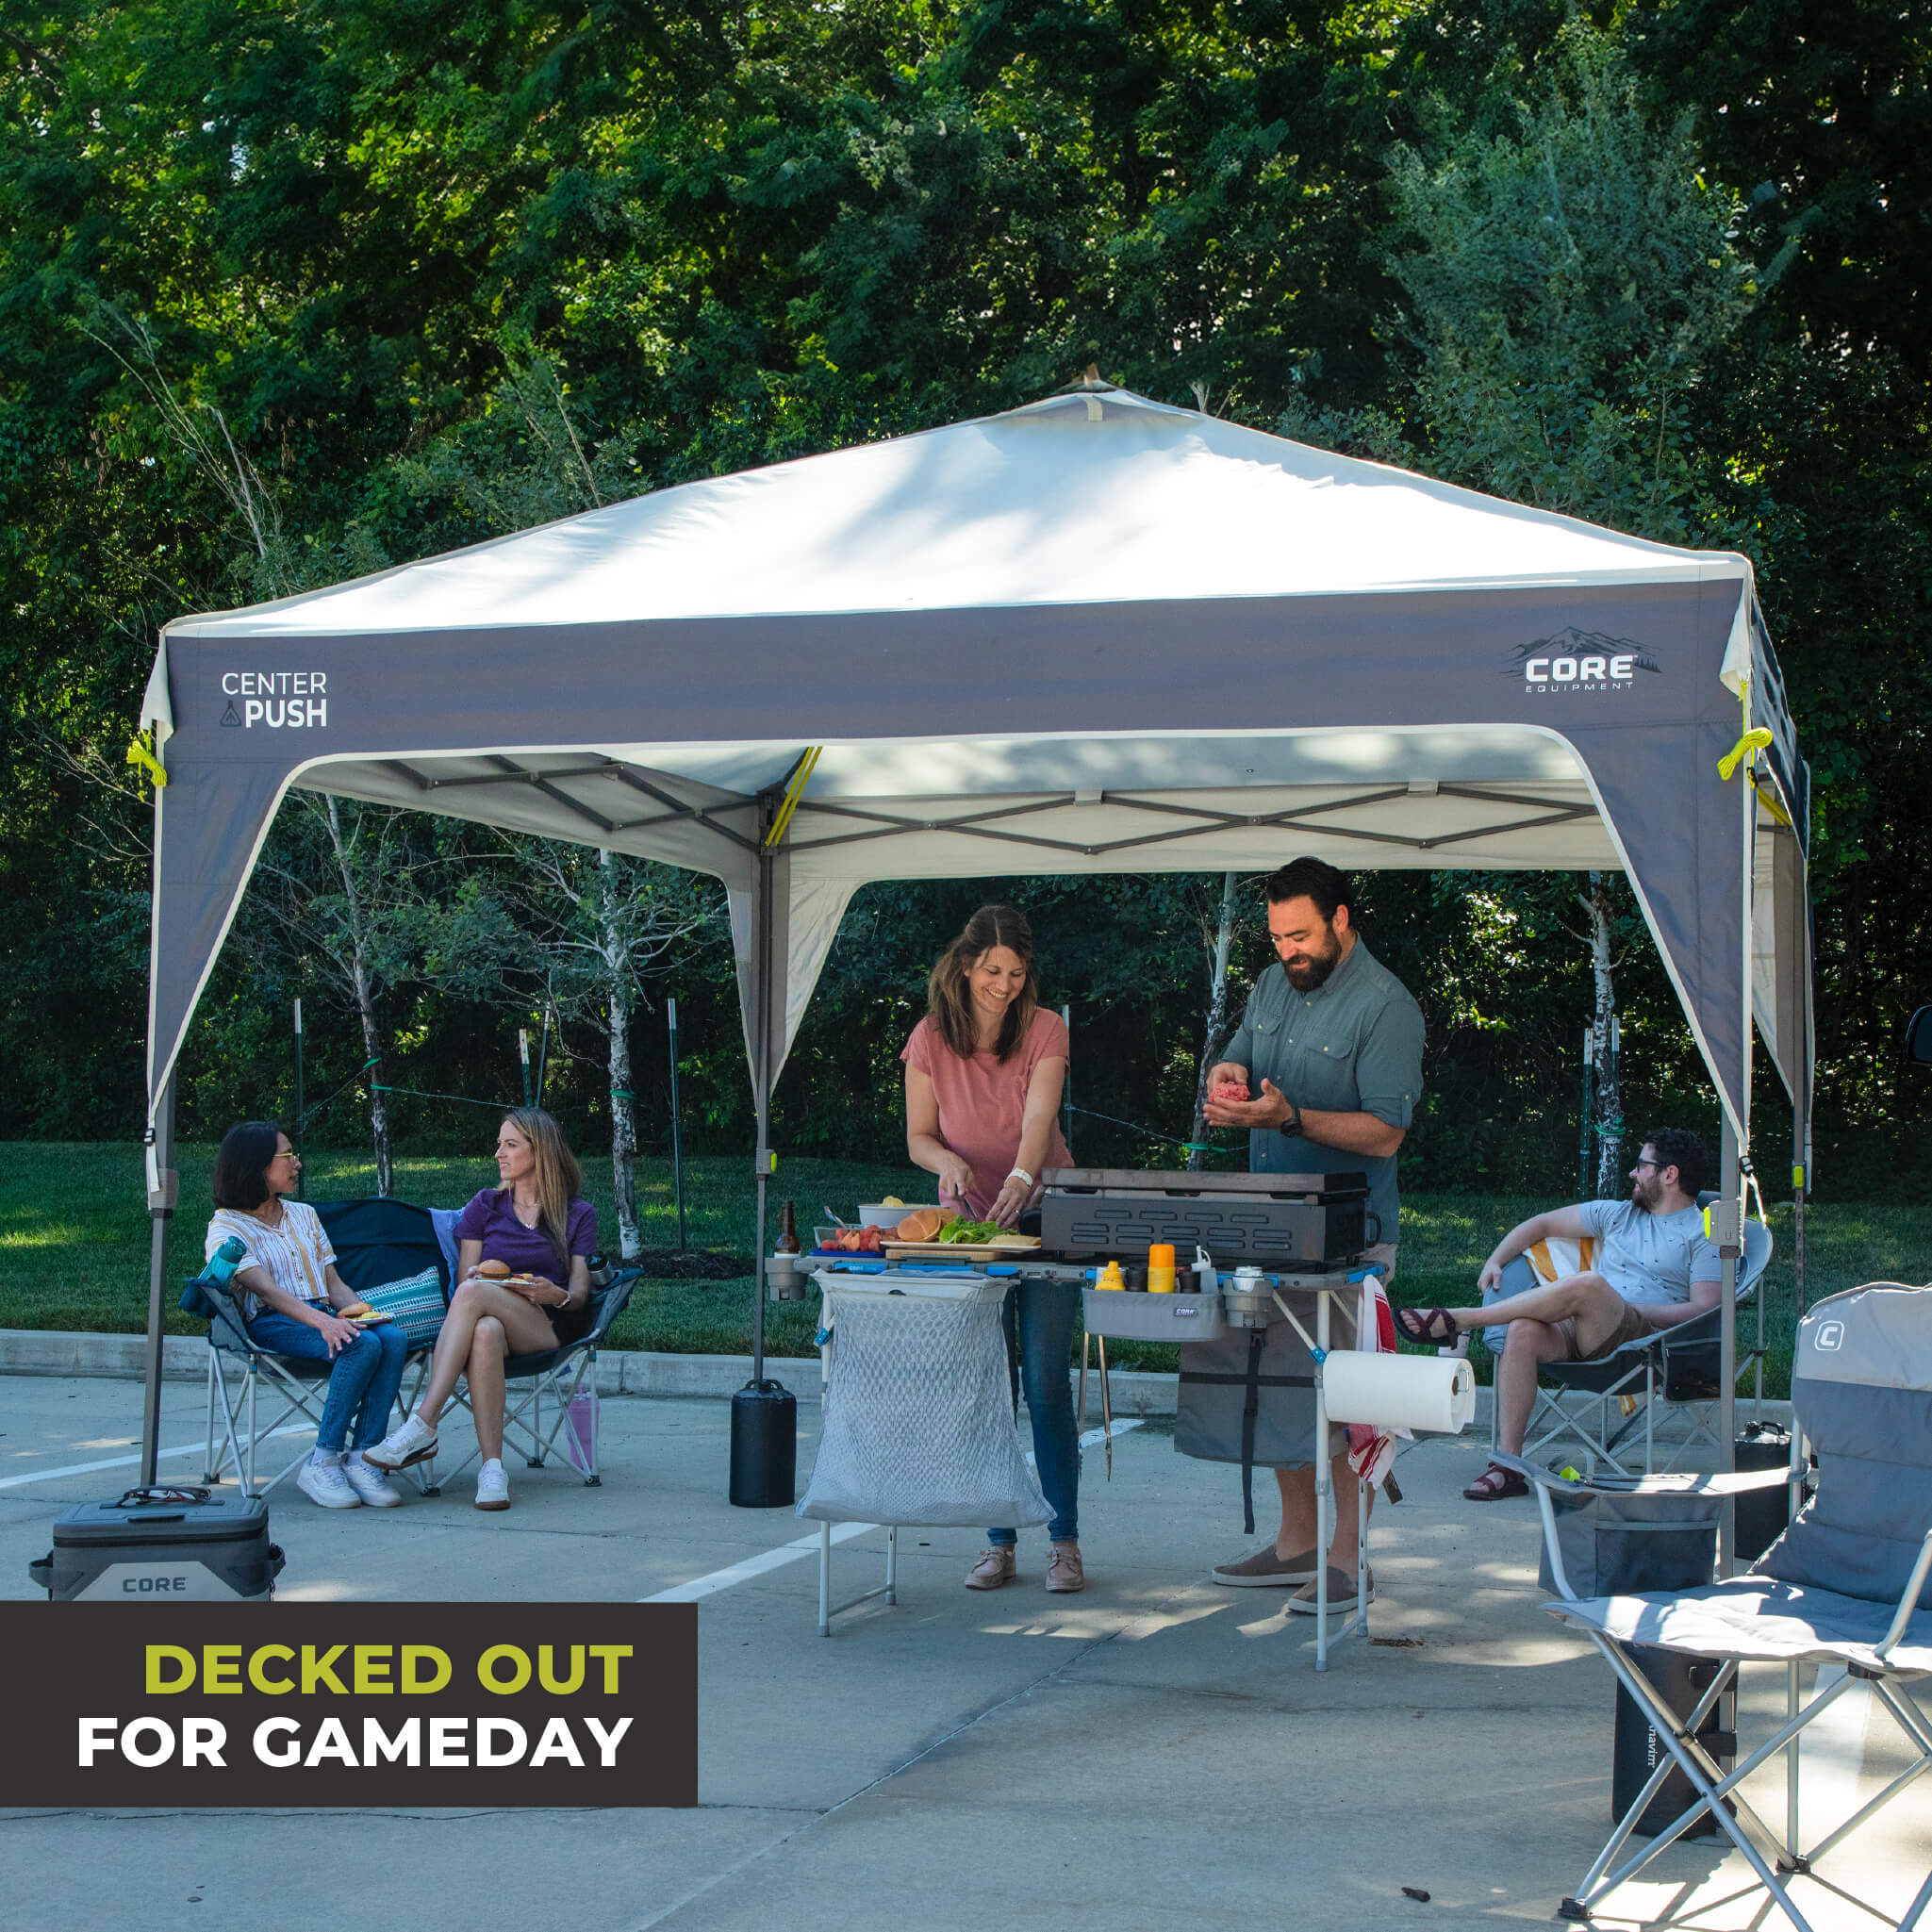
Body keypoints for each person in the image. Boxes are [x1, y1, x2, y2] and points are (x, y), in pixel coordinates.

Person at [1199, 857, 1425, 1610]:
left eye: (1298, 935)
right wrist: (1227, 1077)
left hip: (1348, 1240)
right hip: (1265, 1227)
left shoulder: (1386, 1006)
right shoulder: (1271, 984)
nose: (1286, 949)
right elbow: (1239, 1049)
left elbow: (1387, 1131)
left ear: (1339, 920)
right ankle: (1295, 1544)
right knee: (1275, 1389)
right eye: (1275, 936)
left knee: (1339, 1396)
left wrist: (1289, 1116)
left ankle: (1345, 1558)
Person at [902, 903, 1083, 1593]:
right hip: (970, 1228)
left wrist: (1017, 1174)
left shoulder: (1045, 1029)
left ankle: (1063, 1543)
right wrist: (943, 1161)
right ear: (964, 963)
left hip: (1042, 1216)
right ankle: (997, 1542)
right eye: (990, 970)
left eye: (1014, 972)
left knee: (1042, 1383)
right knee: (989, 1384)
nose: (1002, 984)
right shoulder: (928, 1037)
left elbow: (1038, 1118)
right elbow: (918, 1134)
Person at [1395, 1128, 1722, 1500]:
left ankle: (1461, 1320)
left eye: (1640, 1165)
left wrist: (1629, 1307)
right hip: (1585, 1331)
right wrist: (1495, 1260)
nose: (1632, 1173)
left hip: (1643, 1342)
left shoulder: (1704, 1232)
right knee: (1521, 1331)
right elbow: (1542, 1224)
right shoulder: (1617, 1215)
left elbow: (1706, 1309)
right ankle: (1508, 1466)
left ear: (1669, 1174)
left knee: (1588, 1285)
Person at [365, 1108, 596, 1511]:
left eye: (510, 1145)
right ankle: (493, 1470)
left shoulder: (577, 1213)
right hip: (493, 1324)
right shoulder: (485, 1205)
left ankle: (424, 1423)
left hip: (548, 1326)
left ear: (539, 1152)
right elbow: (463, 1280)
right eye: (499, 1144)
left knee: (474, 1295)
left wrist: (551, 1293)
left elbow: (578, 1295)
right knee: (485, 1327)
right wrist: (484, 1282)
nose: (498, 1154)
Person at [206, 1122, 410, 1510]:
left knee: (391, 1338)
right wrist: (327, 1323)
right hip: (269, 1324)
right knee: (360, 1345)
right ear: (257, 1166)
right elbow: (266, 1290)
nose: (297, 1164)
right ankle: (323, 1459)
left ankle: (365, 1459)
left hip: (320, 1314)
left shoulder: (304, 1215)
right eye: (288, 1156)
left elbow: (334, 1286)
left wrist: (366, 1313)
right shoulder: (226, 1226)